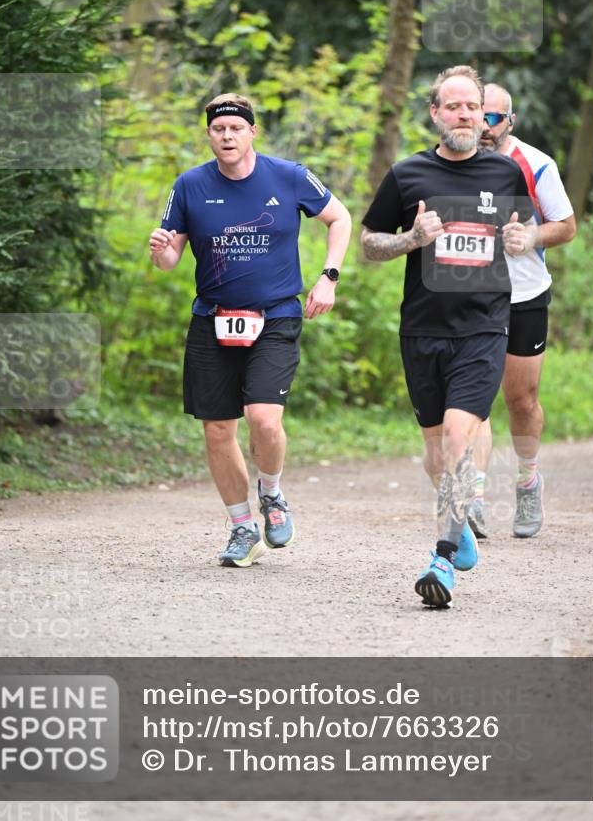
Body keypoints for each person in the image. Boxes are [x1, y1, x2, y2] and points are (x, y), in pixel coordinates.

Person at [149, 93, 351, 568]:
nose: (227, 137)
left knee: (263, 420)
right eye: (218, 130)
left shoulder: (290, 176)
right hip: (212, 318)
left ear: (252, 132)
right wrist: (160, 251)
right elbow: (170, 259)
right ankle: (242, 528)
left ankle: (273, 494)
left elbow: (339, 218)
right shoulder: (190, 185)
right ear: (209, 136)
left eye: (235, 129)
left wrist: (330, 276)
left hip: (276, 315)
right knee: (218, 430)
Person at [361, 66, 535, 608]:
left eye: (472, 107)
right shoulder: (407, 174)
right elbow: (369, 244)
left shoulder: (505, 173)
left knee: (460, 438)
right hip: (422, 328)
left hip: (483, 326)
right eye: (453, 106)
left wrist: (519, 237)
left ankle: (440, 558)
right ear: (435, 113)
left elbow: (524, 230)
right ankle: (458, 529)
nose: (464, 115)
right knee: (436, 450)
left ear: (484, 114)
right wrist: (412, 238)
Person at [470, 83, 576, 540]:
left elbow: (566, 226)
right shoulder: (450, 165)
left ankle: (528, 478)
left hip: (525, 295)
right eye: (480, 116)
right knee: (472, 399)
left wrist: (531, 238)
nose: (486, 127)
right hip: (469, 297)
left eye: (496, 118)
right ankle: (472, 497)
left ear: (510, 121)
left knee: (520, 400)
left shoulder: (536, 164)